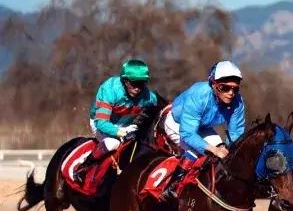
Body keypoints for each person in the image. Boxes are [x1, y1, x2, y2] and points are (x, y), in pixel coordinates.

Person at [160, 60, 247, 199]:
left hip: (202, 127)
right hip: (177, 123)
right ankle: (172, 187)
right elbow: (187, 133)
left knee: (222, 150)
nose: (231, 93)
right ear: (214, 84)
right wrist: (214, 150)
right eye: (225, 88)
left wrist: (230, 153)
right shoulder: (199, 94)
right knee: (199, 150)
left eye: (235, 89)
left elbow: (236, 134)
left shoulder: (238, 102)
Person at [75, 59, 160, 182]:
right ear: (125, 80)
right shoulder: (109, 90)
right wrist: (121, 132)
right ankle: (83, 168)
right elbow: (101, 123)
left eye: (141, 83)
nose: (138, 88)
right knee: (112, 143)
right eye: (134, 83)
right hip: (100, 122)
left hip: (126, 125)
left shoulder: (149, 97)